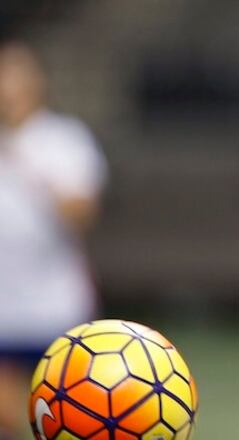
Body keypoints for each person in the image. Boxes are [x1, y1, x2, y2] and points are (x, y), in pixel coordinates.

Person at [0, 40, 107, 439]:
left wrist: (29, 165)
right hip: (4, 310)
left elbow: (82, 213)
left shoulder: (64, 140)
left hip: (56, 307)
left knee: (72, 417)